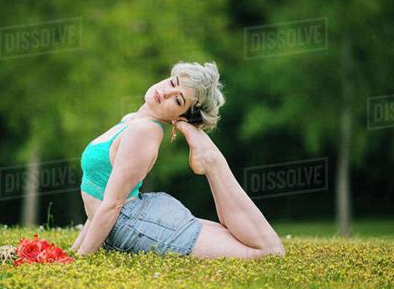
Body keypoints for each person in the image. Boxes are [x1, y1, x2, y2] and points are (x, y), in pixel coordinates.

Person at [70, 61, 285, 260]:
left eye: (178, 99)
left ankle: (212, 160)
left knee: (269, 250)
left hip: (134, 224)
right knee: (231, 235)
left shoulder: (143, 131)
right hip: (136, 216)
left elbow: (112, 204)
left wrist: (80, 259)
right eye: (173, 83)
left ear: (181, 117)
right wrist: (73, 250)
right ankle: (210, 159)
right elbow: (100, 196)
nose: (165, 92)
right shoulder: (131, 120)